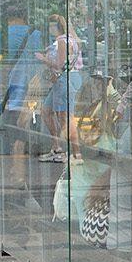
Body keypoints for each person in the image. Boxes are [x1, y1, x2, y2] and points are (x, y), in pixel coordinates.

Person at [36, 13, 84, 162]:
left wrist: (43, 59)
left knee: (65, 117)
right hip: (69, 78)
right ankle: (56, 147)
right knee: (46, 110)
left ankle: (76, 154)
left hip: (65, 79)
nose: (50, 29)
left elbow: (60, 65)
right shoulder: (73, 39)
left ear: (57, 27)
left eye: (51, 26)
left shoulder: (62, 40)